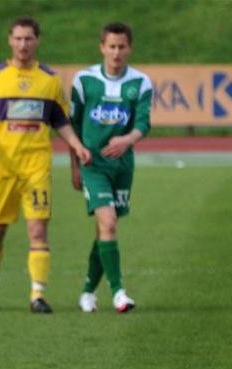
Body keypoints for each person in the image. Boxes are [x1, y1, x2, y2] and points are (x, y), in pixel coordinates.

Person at [0, 16, 92, 313]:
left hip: (36, 168)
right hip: (1, 168)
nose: (23, 44)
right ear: (10, 41)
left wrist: (77, 145)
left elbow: (61, 121)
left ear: (37, 41)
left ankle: (38, 295)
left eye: (28, 39)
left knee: (38, 231)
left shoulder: (49, 80)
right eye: (18, 38)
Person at [70, 22, 151, 313]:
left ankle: (87, 292)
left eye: (122, 47)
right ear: (102, 47)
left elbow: (143, 123)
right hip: (93, 165)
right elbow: (72, 127)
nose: (116, 53)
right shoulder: (84, 81)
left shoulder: (140, 83)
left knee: (105, 228)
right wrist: (74, 166)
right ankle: (119, 293)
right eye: (112, 46)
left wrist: (127, 140)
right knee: (109, 222)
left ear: (130, 48)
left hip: (122, 166)